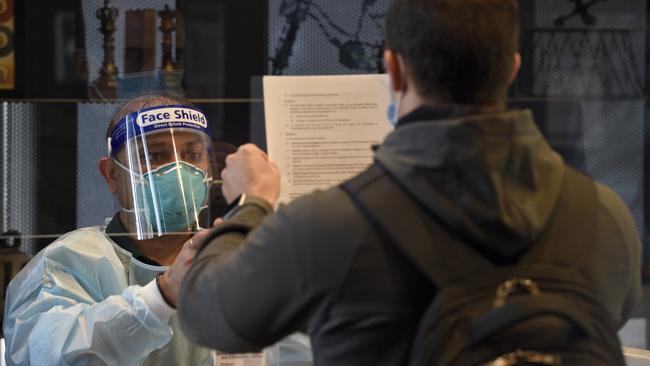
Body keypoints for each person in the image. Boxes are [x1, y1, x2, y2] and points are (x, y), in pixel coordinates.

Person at [173, 1, 641, 365]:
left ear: (393, 69)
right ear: (512, 68)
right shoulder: (605, 215)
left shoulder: (330, 225)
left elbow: (207, 316)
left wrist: (252, 203)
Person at [2, 94, 312, 366]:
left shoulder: (236, 257)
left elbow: (308, 349)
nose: (179, 170)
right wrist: (162, 295)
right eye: (154, 156)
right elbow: (46, 354)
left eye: (192, 155)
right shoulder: (70, 262)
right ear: (111, 174)